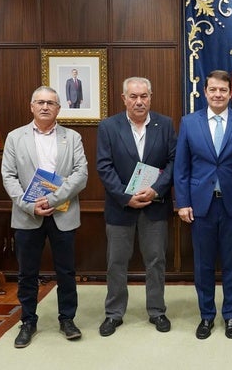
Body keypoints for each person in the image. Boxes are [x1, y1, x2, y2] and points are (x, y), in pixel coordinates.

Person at [174, 70, 232, 339]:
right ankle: (207, 316)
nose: (218, 94)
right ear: (205, 92)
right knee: (203, 264)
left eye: (223, 90)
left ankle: (231, 315)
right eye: (213, 90)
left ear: (231, 93)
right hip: (201, 206)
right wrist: (183, 202)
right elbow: (182, 168)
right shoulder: (189, 123)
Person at [1, 86, 88, 348]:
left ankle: (67, 319)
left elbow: (80, 174)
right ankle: (28, 321)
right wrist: (30, 205)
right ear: (31, 106)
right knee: (27, 273)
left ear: (59, 108)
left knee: (66, 271)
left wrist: (52, 199)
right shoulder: (15, 137)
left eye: (51, 102)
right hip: (28, 215)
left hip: (63, 212)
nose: (45, 107)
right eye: (40, 102)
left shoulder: (72, 137)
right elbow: (9, 176)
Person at [96, 77, 176, 337]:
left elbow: (174, 162)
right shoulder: (109, 127)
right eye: (133, 96)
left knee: (156, 261)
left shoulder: (164, 125)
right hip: (121, 208)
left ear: (151, 97)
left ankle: (157, 310)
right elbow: (104, 166)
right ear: (124, 98)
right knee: (116, 262)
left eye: (144, 96)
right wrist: (124, 196)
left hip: (154, 206)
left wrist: (156, 190)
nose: (139, 101)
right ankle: (114, 313)